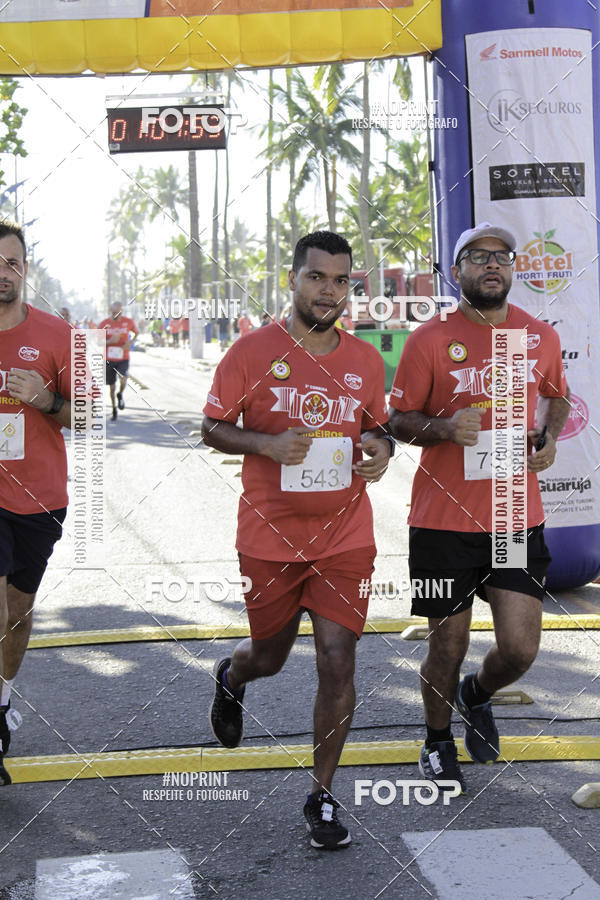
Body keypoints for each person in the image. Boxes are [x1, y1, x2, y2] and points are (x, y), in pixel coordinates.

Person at [202, 231, 394, 849]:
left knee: (338, 657)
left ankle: (322, 796)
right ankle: (233, 676)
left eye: (341, 280)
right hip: (269, 536)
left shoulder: (365, 361)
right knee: (271, 655)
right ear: (293, 279)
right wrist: (265, 444)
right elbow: (211, 426)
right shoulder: (253, 351)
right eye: (318, 278)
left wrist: (379, 454)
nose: (329, 291)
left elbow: (380, 430)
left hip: (344, 537)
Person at [389, 222, 570, 792]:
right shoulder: (431, 339)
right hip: (443, 522)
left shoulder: (539, 336)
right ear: (458, 269)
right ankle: (437, 739)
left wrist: (547, 437)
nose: (493, 266)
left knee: (519, 647)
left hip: (516, 514)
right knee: (448, 642)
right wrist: (442, 427)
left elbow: (558, 399)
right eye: (478, 257)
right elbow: (397, 420)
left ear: (513, 270)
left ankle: (477, 693)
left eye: (502, 257)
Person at [0, 221, 73, 786]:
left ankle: (1, 702)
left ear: (25, 269)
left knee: (17, 613)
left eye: (12, 262)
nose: (3, 272)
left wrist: (45, 397)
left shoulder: (56, 335)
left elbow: (87, 414)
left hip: (38, 499)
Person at [98, 301, 138, 421]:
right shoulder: (104, 324)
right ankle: (114, 408)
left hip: (123, 357)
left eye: (119, 313)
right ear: (110, 311)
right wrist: (110, 341)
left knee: (123, 378)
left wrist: (130, 342)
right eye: (115, 312)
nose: (117, 315)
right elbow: (98, 342)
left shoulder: (128, 322)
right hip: (109, 358)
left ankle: (120, 394)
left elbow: (137, 332)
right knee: (111, 387)